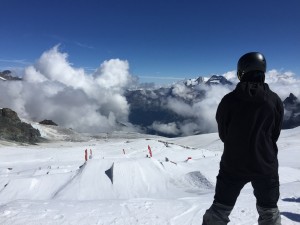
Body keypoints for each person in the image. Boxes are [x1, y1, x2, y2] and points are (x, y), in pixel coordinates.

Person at [202, 52, 284, 225]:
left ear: (242, 72)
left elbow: (224, 134)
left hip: (233, 164)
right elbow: (274, 134)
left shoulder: (229, 100)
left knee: (219, 210)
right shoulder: (275, 100)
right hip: (266, 165)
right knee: (269, 213)